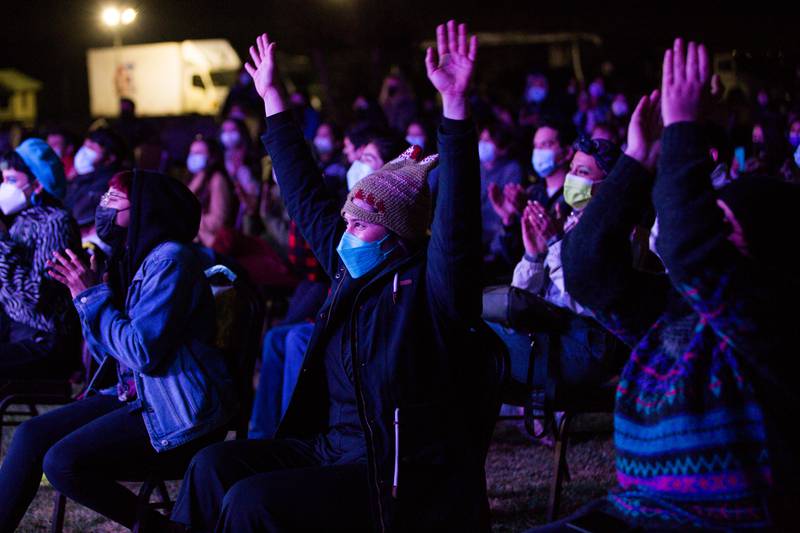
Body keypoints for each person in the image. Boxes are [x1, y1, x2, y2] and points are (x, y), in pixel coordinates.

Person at [172, 21, 498, 532]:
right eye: (347, 219)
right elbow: (304, 196)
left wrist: (455, 112)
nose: (346, 232)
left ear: (396, 235)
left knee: (251, 502)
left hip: (392, 473)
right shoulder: (351, 269)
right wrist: (274, 101)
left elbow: (456, 226)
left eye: (361, 223)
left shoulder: (433, 290)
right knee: (213, 467)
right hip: (329, 448)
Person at [542, 39, 798, 532]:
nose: (712, 234)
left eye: (727, 227)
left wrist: (686, 130)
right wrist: (639, 158)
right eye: (712, 222)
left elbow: (688, 247)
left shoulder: (771, 322)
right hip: (640, 512)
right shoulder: (674, 318)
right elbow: (588, 272)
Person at [0, 169, 235, 532]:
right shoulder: (138, 259)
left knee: (62, 461)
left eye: (113, 199)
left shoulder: (172, 261)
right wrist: (88, 298)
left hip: (177, 408)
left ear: (143, 209)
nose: (102, 206)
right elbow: (111, 352)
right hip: (139, 394)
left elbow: (142, 353)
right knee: (32, 434)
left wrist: (90, 296)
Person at [0, 138, 81, 378]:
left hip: (44, 338)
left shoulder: (55, 222)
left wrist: (2, 243)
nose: (4, 187)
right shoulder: (19, 219)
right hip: (14, 329)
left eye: (12, 181)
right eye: (3, 179)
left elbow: (37, 296)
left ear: (37, 185)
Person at [63, 128, 126, 232]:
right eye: (84, 146)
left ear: (110, 158)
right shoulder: (81, 178)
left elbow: (79, 215)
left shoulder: (111, 186)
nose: (83, 154)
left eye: (91, 149)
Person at [186, 136, 238, 251]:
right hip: (199, 241)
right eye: (192, 152)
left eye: (199, 153)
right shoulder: (196, 177)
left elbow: (218, 221)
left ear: (211, 156)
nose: (194, 156)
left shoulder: (217, 179)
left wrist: (189, 220)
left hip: (212, 244)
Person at [219, 117, 261, 232]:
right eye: (225, 131)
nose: (228, 135)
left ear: (241, 132)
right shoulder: (222, 157)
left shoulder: (252, 157)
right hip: (230, 210)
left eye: (232, 130)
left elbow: (255, 190)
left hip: (250, 213)